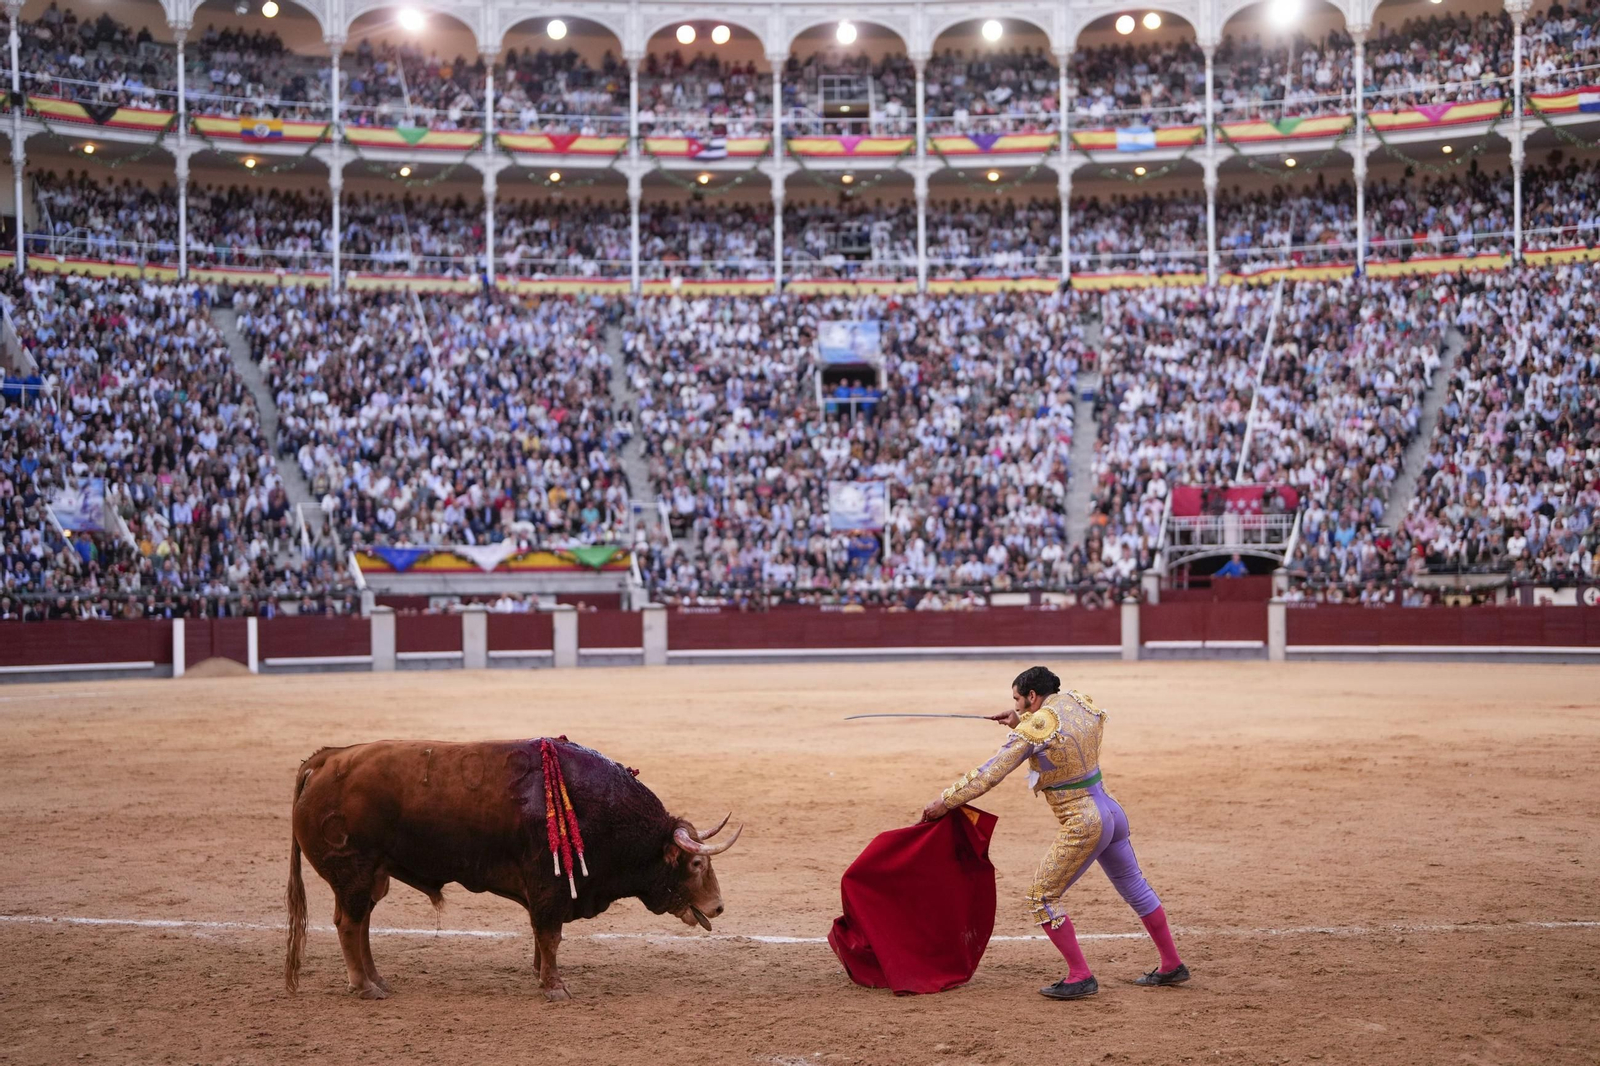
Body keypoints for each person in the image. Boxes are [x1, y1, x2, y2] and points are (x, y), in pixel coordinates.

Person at [920, 665, 1188, 1000]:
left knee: (1042, 897)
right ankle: (1171, 963)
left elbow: (990, 773)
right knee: (1134, 885)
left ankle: (1080, 975)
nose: (1015, 705)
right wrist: (1021, 721)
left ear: (1032, 696)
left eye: (1017, 699)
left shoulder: (1035, 728)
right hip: (1110, 809)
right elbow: (1062, 737)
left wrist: (945, 801)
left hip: (1085, 821)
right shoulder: (1077, 702)